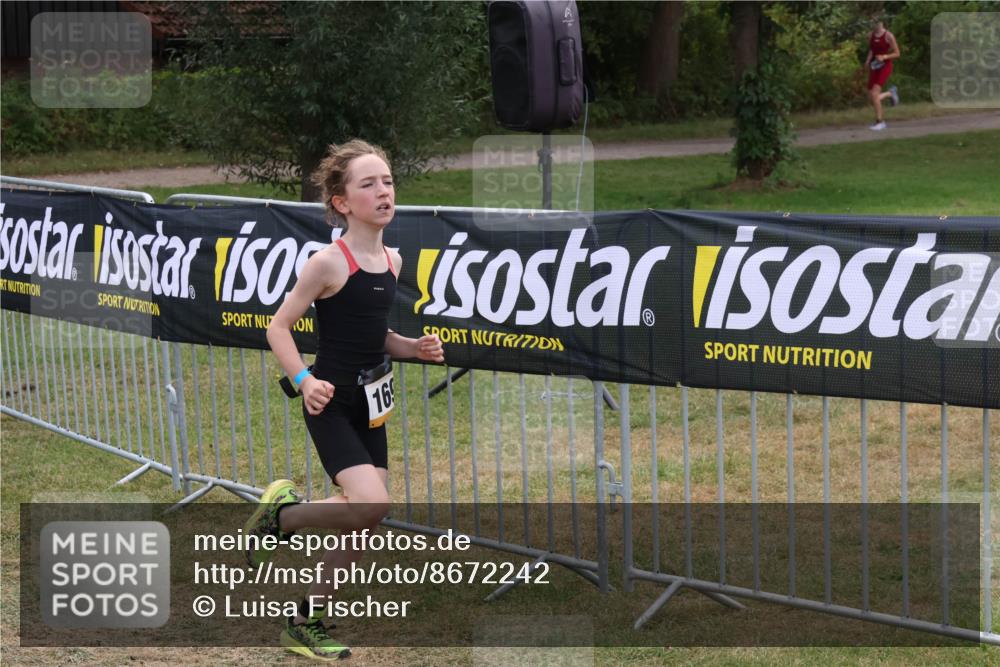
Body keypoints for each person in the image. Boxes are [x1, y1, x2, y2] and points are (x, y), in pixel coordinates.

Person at [244, 139, 445, 660]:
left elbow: (375, 337)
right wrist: (306, 381)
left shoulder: (393, 259)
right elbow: (278, 328)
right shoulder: (328, 262)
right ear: (341, 202)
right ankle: (281, 517)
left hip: (371, 405)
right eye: (368, 184)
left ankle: (304, 621)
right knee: (374, 502)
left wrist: (412, 348)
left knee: (366, 519)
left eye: (388, 181)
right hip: (329, 401)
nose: (383, 192)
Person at [863, 18, 901, 131]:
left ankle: (880, 122)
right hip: (874, 66)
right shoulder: (870, 35)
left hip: (885, 66)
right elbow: (871, 50)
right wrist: (867, 61)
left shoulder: (888, 36)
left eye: (875, 22)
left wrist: (884, 57)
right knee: (872, 97)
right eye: (872, 22)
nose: (873, 24)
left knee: (875, 94)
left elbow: (897, 53)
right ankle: (890, 93)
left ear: (881, 22)